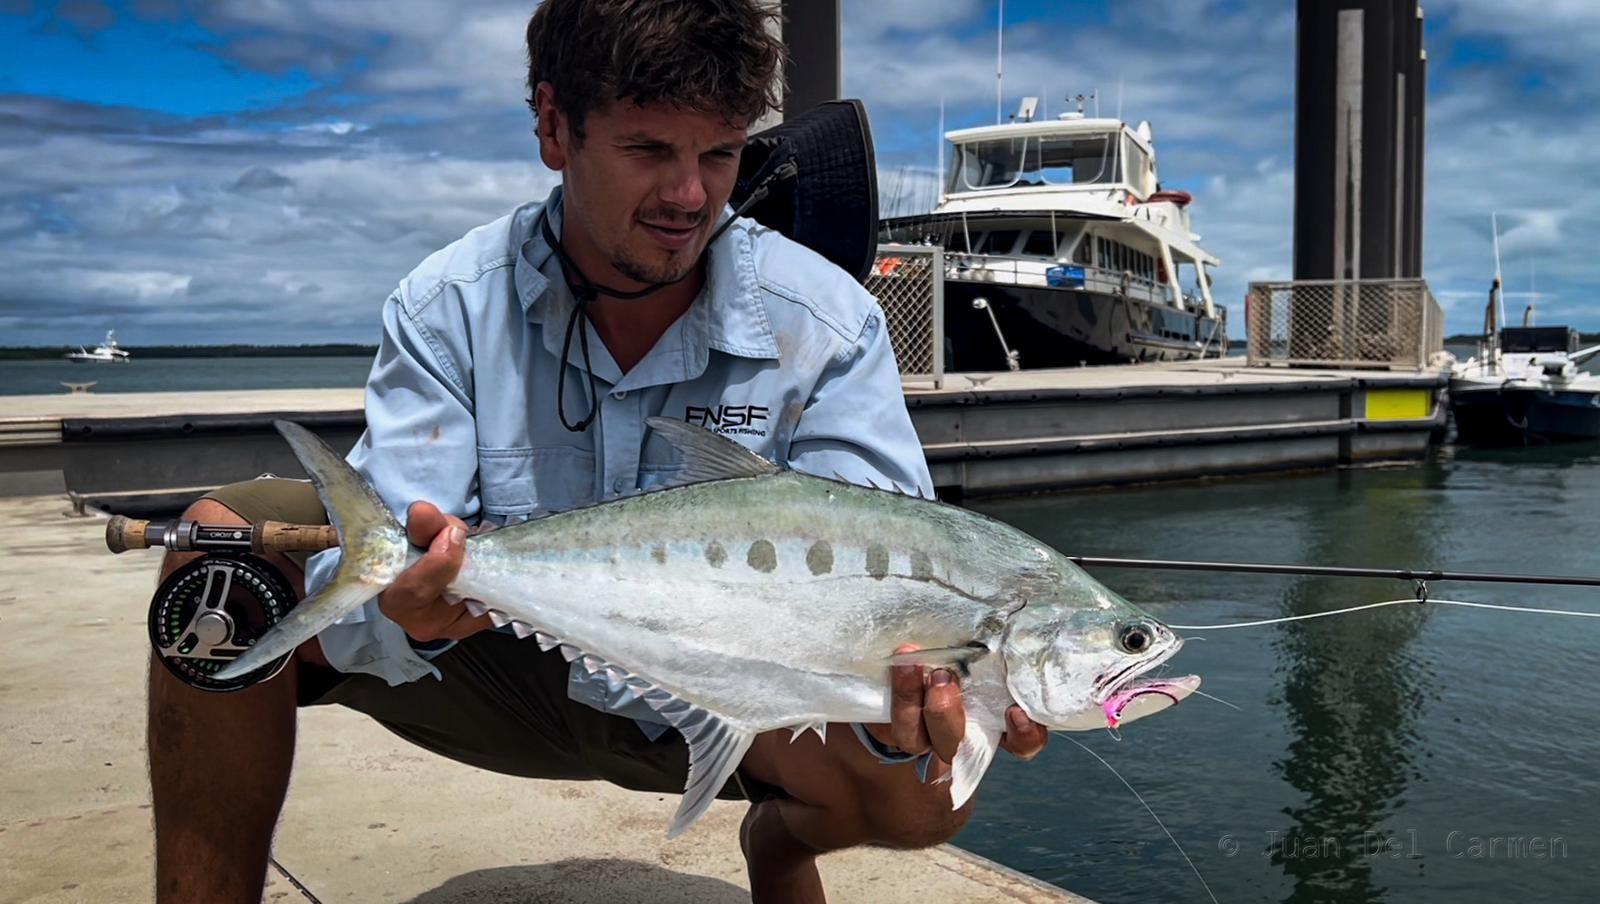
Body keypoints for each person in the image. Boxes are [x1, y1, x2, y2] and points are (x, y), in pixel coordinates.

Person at [145, 1, 1048, 902]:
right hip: (501, 665)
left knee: (927, 792)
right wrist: (402, 609)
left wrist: (912, 703)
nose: (690, 196)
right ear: (553, 127)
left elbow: (892, 575)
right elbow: (391, 540)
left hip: (740, 689)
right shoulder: (449, 304)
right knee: (215, 565)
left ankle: (780, 841)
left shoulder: (827, 323)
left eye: (720, 154)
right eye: (650, 150)